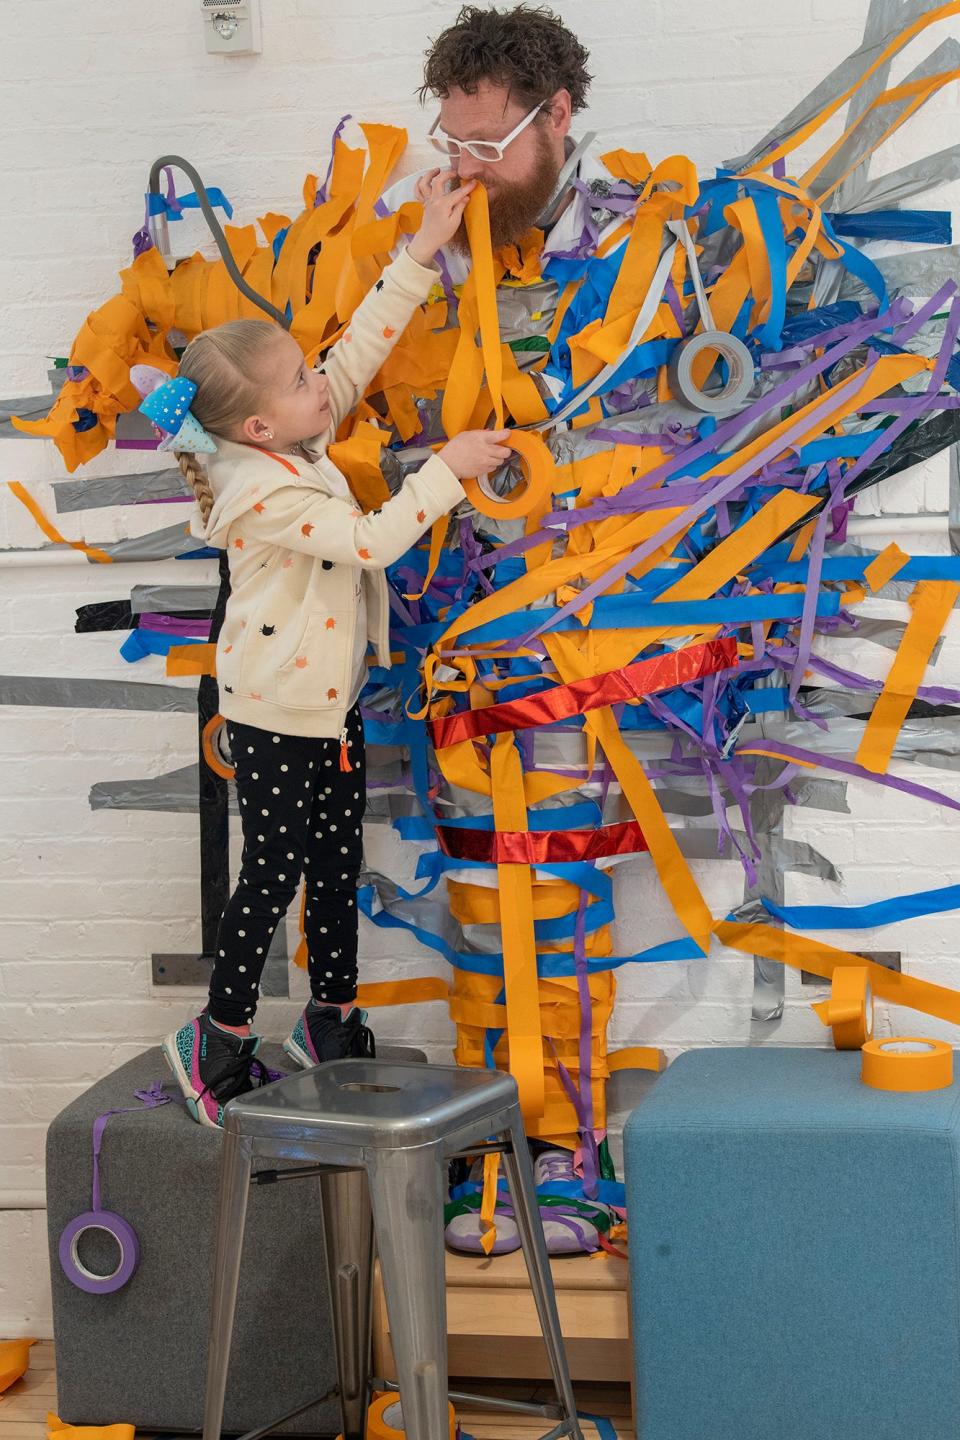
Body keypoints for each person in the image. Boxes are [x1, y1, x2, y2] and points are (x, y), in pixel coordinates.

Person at [155, 169, 513, 1127]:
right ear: (262, 426)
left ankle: (331, 1020)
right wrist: (446, 471)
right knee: (272, 868)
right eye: (304, 381)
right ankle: (218, 1036)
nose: (327, 384)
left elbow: (350, 362)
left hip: (330, 703)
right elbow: (370, 542)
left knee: (335, 860)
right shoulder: (264, 493)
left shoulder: (289, 443)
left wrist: (420, 250)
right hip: (276, 715)